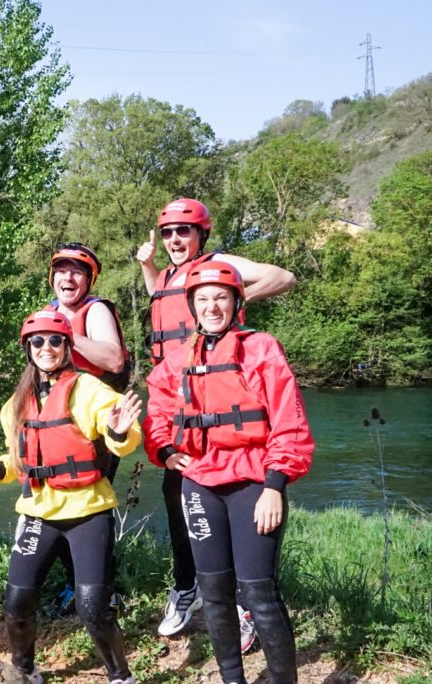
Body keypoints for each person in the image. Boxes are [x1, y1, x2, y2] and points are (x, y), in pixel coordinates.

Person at [143, 261, 313, 684]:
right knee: (215, 593)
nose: (212, 306)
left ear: (237, 302)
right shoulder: (179, 360)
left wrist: (276, 485)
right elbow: (158, 410)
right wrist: (164, 451)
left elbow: (288, 422)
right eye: (202, 299)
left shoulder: (260, 348)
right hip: (200, 484)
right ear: (192, 307)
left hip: (254, 482)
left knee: (258, 592)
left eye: (221, 297)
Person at [136, 198, 297, 641]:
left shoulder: (217, 264)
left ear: (201, 235)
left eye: (183, 232)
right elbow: (163, 299)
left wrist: (236, 296)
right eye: (168, 233)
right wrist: (150, 267)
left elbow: (284, 276)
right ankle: (188, 587)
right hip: (178, 400)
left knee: (238, 507)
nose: (174, 239)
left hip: (219, 394)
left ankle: (246, 603)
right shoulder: (169, 274)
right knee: (179, 502)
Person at [0, 309, 143, 684]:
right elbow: (16, 464)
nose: (47, 348)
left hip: (88, 511)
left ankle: (120, 675)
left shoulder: (89, 390)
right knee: (16, 604)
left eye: (55, 340)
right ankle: (25, 670)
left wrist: (120, 433)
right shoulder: (15, 406)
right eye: (37, 341)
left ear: (67, 346)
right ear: (27, 348)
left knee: (92, 607)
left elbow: (123, 440)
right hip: (39, 512)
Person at [44, 242, 131, 614]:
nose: (68, 277)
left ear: (89, 279)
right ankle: (74, 584)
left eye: (77, 271)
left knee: (89, 507)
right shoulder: (48, 311)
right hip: (55, 421)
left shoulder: (94, 311)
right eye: (61, 270)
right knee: (57, 500)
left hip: (93, 425)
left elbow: (113, 358)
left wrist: (64, 333)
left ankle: (102, 589)